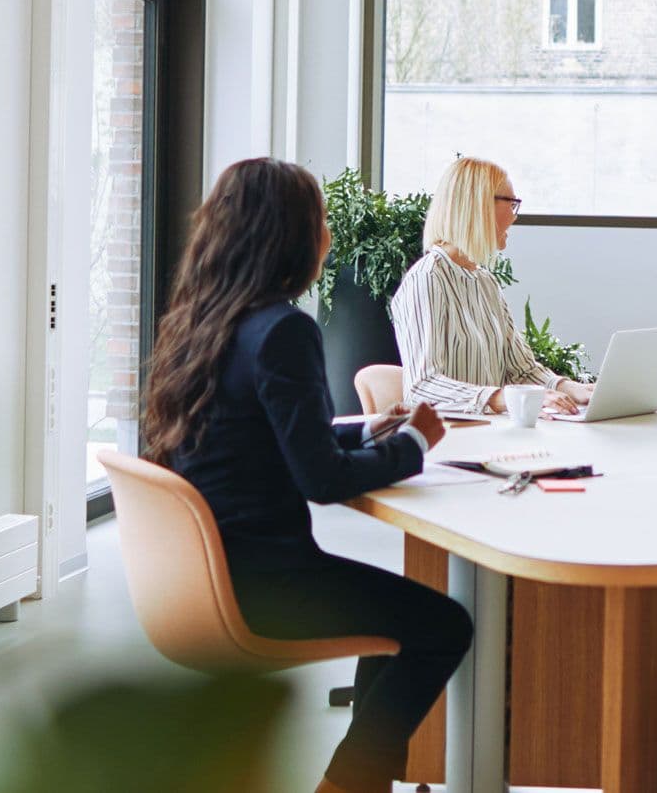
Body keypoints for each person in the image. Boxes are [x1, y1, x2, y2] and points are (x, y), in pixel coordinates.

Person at [144, 158, 470, 793]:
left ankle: (360, 782)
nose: (327, 235)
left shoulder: (199, 323)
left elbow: (260, 438)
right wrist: (412, 443)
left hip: (203, 575)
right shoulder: (284, 329)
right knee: (443, 625)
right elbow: (320, 480)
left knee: (395, 625)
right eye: (320, 221)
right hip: (266, 584)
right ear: (293, 236)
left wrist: (359, 430)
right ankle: (349, 784)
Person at [391, 157, 595, 414]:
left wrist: (569, 388)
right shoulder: (427, 278)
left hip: (493, 431)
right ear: (478, 206)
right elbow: (422, 386)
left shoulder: (485, 282)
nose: (514, 215)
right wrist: (499, 398)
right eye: (511, 203)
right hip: (454, 437)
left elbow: (521, 370)